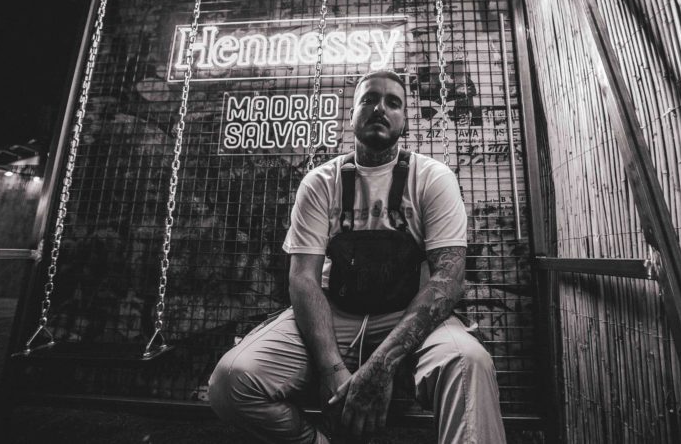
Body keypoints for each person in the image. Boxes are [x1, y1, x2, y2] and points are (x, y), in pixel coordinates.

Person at [209, 70, 507, 444]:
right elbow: (303, 278)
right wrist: (331, 368)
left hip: (407, 315)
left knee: (469, 363)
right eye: (369, 99)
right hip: (334, 314)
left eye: (393, 102)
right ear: (351, 115)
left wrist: (381, 365)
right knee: (231, 381)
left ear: (404, 120)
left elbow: (447, 281)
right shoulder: (320, 182)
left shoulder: (433, 178)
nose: (380, 108)